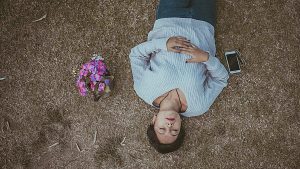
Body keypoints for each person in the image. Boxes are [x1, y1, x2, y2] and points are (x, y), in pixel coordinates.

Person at [129, 0, 229, 154]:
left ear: (154, 121)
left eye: (162, 129)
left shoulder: (143, 90)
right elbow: (221, 79)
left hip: (169, 17)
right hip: (204, 23)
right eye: (174, 131)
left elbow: (136, 55)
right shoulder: (199, 106)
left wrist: (164, 44)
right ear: (180, 126)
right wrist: (205, 58)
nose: (169, 126)